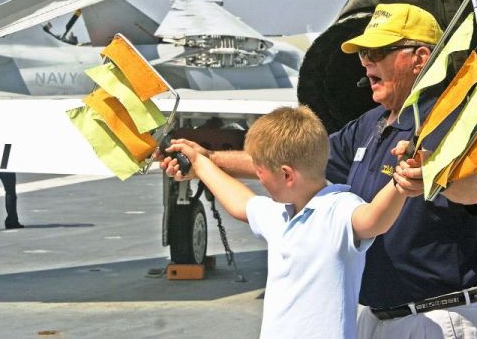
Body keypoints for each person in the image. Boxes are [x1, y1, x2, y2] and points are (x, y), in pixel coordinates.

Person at [160, 3, 477, 338]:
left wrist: (434, 173)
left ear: (420, 59)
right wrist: (207, 159)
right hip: (377, 319)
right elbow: (292, 160)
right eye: (363, 53)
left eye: (377, 52)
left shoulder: (452, 121)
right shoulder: (370, 126)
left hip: (434, 318)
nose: (365, 62)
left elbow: (475, 190)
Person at [163, 106, 416, 339]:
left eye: (260, 171)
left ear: (286, 175)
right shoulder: (280, 213)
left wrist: (400, 181)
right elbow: (241, 203)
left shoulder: (337, 210)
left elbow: (374, 219)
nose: (259, 179)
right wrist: (200, 163)